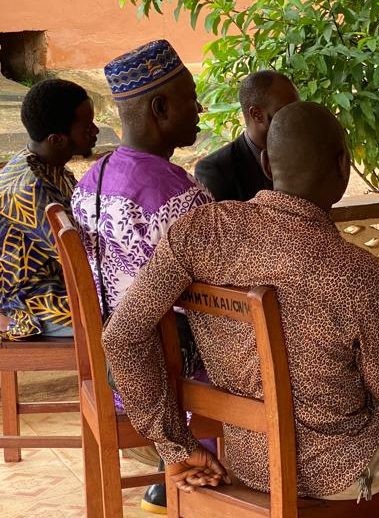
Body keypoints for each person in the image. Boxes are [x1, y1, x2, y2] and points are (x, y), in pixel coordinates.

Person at [100, 101, 379, 518]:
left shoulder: (200, 231)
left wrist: (175, 446)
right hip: (342, 469)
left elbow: (121, 336)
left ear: (266, 163)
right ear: (343, 167)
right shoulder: (356, 272)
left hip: (246, 457)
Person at [68, 39, 214, 514]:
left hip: (116, 374)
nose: (200, 109)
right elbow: (220, 292)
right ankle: (234, 468)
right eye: (191, 99)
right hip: (170, 380)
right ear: (160, 108)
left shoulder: (93, 178)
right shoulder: (173, 193)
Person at [0, 79, 98, 340]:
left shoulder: (53, 168)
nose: (96, 131)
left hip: (63, 284)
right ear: (57, 139)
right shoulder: (29, 189)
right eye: (87, 128)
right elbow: (79, 257)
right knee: (127, 319)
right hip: (31, 302)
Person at [195, 70, 299, 201]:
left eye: (297, 108)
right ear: (256, 114)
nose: (296, 117)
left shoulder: (302, 152)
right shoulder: (216, 170)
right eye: (285, 111)